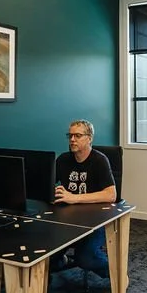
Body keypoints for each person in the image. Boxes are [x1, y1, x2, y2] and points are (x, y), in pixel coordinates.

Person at [53, 119, 117, 279]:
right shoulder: (62, 160)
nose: (72, 139)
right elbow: (48, 184)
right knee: (47, 255)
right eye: (70, 135)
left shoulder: (99, 160)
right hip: (67, 218)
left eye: (78, 135)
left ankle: (117, 274)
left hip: (96, 220)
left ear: (89, 138)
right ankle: (61, 260)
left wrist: (74, 198)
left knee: (86, 258)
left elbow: (111, 195)